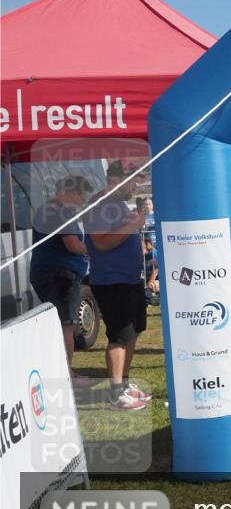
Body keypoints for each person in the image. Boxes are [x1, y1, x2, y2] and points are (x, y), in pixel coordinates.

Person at [82, 161, 153, 410]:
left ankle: (123, 384)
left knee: (132, 332)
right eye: (132, 180)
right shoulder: (99, 205)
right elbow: (100, 243)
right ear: (115, 179)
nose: (135, 186)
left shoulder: (118, 205)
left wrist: (134, 225)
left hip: (129, 279)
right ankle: (115, 393)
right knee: (119, 336)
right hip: (111, 281)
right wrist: (132, 225)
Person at [29, 175, 96, 388]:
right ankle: (68, 375)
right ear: (71, 192)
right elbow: (73, 245)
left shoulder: (49, 210)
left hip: (52, 274)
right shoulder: (59, 211)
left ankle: (65, 372)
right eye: (81, 197)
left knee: (62, 324)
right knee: (67, 325)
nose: (81, 202)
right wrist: (94, 249)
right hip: (60, 276)